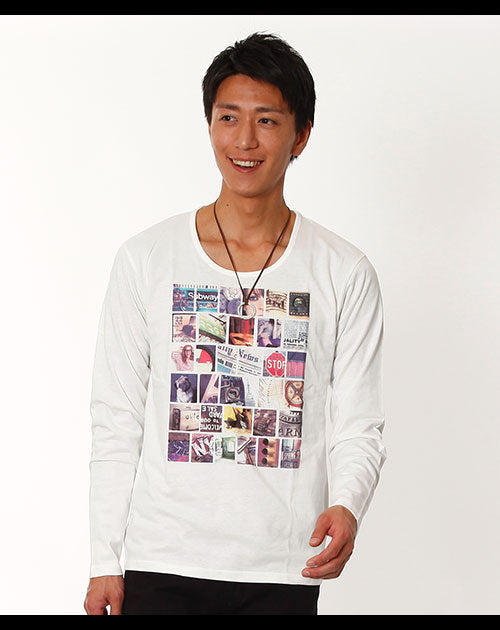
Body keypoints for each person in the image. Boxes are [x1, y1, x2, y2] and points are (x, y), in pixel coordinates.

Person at [84, 32, 387, 616]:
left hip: (281, 567)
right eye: (229, 117)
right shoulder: (146, 259)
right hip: (162, 562)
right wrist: (104, 559)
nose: (245, 140)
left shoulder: (343, 271)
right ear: (210, 126)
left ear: (301, 135)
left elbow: (359, 422)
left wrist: (348, 503)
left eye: (267, 120)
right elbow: (115, 417)